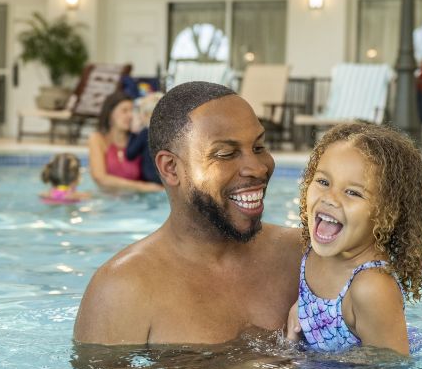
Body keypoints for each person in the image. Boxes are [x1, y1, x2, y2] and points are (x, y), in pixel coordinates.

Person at [73, 81, 301, 346]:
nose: (258, 168)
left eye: (259, 147)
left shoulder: (301, 257)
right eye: (226, 154)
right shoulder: (122, 291)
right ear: (170, 168)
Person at [286, 122, 422, 356]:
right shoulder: (316, 251)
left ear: (388, 212)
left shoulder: (371, 287)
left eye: (353, 192)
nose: (329, 198)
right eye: (323, 182)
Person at [88, 91, 162, 193]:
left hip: (137, 201)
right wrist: (141, 187)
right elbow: (100, 178)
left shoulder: (138, 141)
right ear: (110, 114)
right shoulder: (98, 139)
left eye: (132, 111)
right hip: (108, 200)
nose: (130, 115)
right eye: (124, 111)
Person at [126, 92, 163, 185]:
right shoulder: (166, 132)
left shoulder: (145, 133)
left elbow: (130, 154)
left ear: (146, 115)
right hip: (165, 178)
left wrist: (133, 134)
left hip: (150, 179)